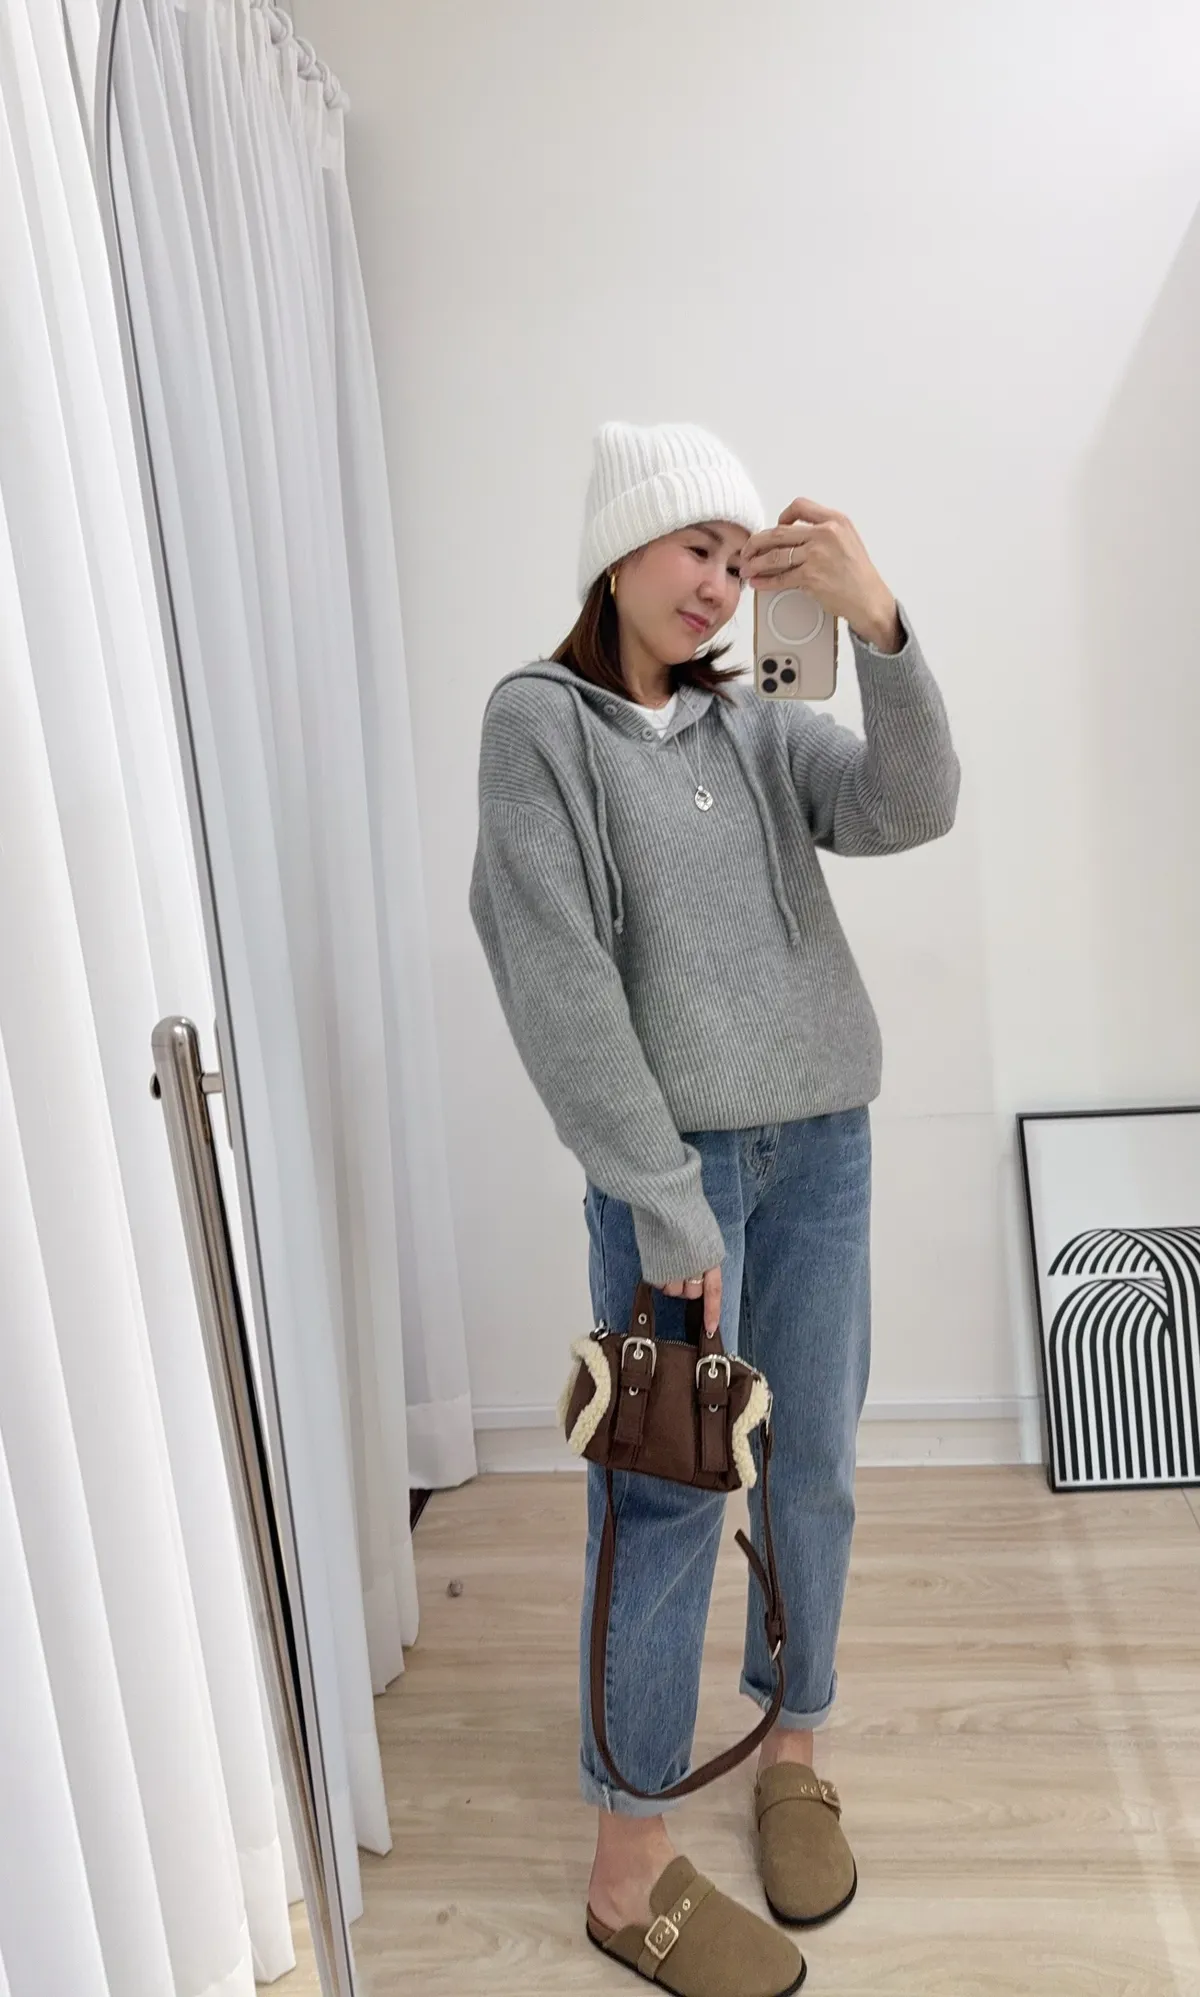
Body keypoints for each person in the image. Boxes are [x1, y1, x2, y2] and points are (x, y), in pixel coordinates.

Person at [469, 421, 959, 1997]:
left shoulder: (762, 725)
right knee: (667, 1498)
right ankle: (628, 1865)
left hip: (825, 1151)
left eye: (742, 561)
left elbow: (912, 805)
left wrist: (881, 628)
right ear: (621, 548)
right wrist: (663, 1206)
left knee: (812, 1468)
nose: (722, 583)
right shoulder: (539, 726)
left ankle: (790, 1746)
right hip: (676, 1185)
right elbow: (555, 981)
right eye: (698, 547)